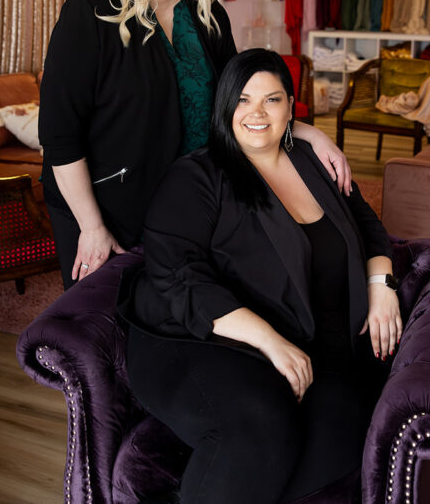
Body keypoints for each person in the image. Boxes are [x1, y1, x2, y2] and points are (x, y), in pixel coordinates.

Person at [118, 49, 402, 503]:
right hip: (198, 338)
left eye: (271, 100)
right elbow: (175, 276)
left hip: (320, 346)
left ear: (291, 107)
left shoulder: (314, 162)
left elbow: (367, 224)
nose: (256, 113)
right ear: (225, 105)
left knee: (343, 438)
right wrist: (272, 341)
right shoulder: (198, 176)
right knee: (262, 429)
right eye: (243, 99)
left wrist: (381, 285)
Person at [39, 0, 351, 288]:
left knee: (189, 315)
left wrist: (307, 132)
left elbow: (235, 102)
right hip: (108, 207)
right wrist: (92, 225)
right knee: (107, 327)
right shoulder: (89, 13)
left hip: (194, 198)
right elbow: (60, 138)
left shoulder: (208, 14)